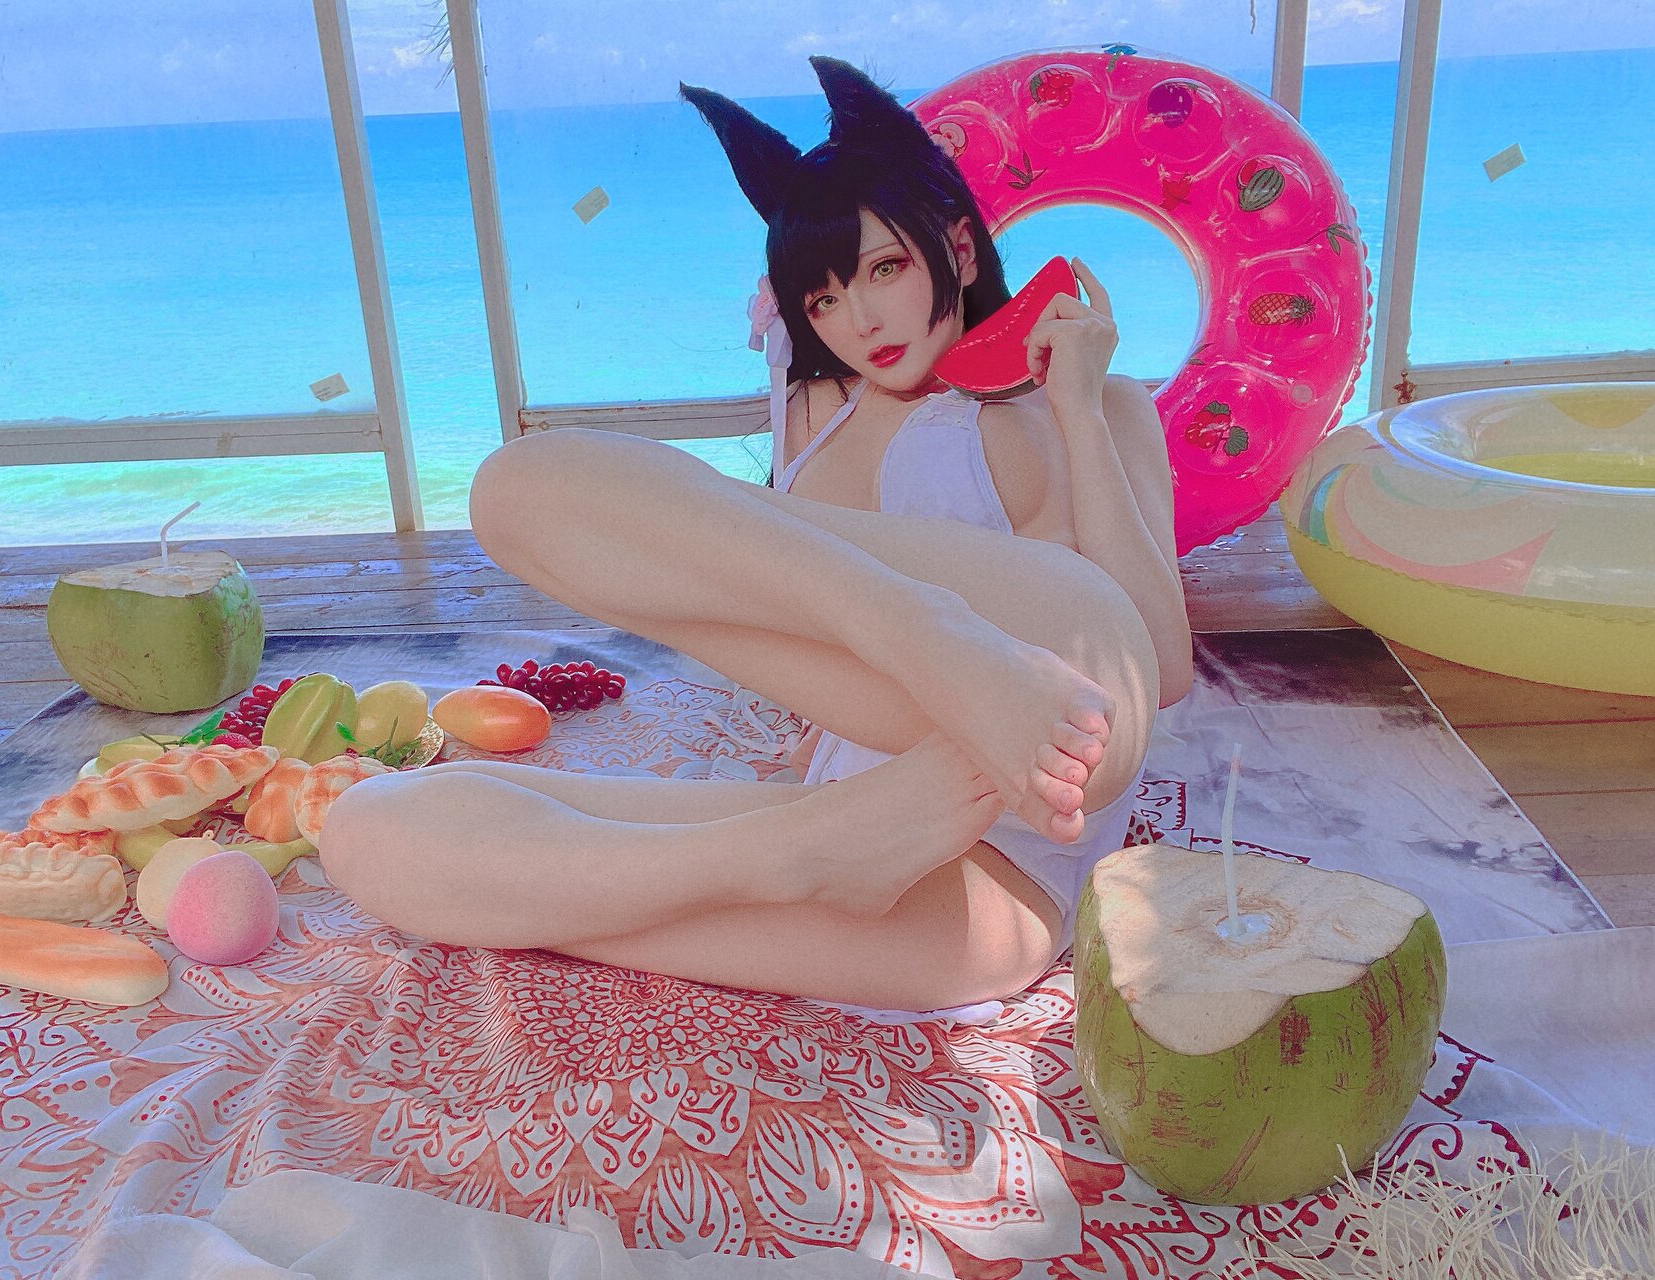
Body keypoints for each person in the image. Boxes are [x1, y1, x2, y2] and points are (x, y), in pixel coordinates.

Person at [319, 55, 1193, 1022]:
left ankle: (909, 700)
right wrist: (804, 832)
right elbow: (769, 600)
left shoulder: (1095, 401)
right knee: (371, 820)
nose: (860, 320)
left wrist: (1076, 411)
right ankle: (801, 840)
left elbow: (1157, 668)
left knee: (1080, 713)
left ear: (957, 243)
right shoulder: (818, 412)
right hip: (871, 806)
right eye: (822, 299)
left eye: (885, 268)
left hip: (1036, 785)